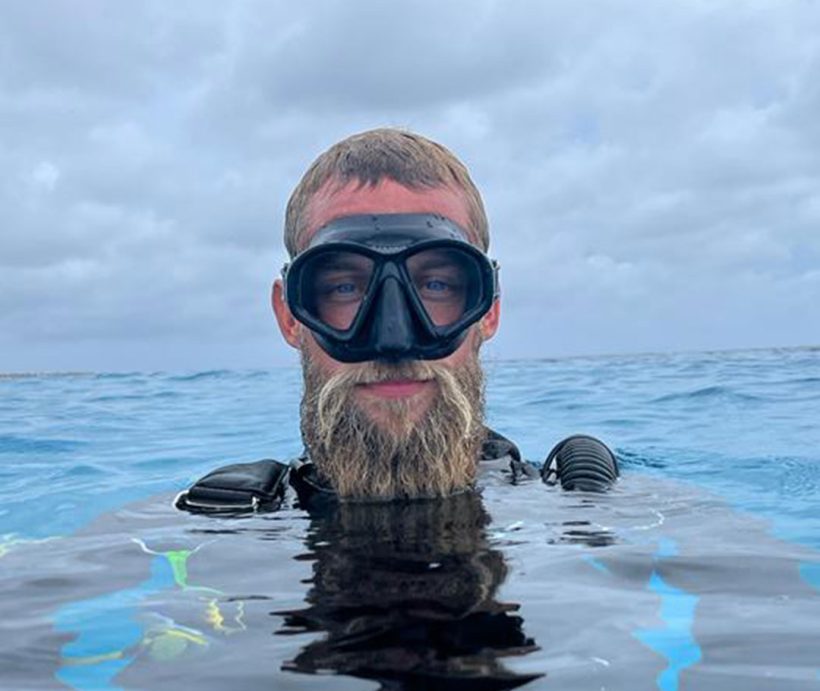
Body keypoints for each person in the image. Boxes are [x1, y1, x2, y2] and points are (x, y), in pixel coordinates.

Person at [176, 128, 617, 514]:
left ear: (488, 310)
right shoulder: (205, 532)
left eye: (437, 286)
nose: (394, 339)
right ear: (291, 316)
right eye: (345, 288)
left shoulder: (591, 512)